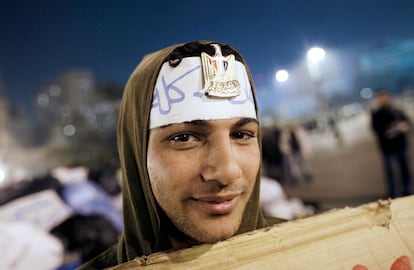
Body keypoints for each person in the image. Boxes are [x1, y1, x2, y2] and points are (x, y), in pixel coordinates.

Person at [78, 41, 283, 269]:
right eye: (184, 138)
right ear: (136, 154)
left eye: (241, 135)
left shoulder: (311, 251)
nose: (227, 172)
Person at [371, 90, 412, 198]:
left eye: (384, 97)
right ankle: (392, 194)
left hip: (401, 144)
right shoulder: (376, 114)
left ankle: (407, 191)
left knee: (405, 169)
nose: (383, 99)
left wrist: (403, 126)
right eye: (380, 98)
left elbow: (408, 122)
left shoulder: (396, 110)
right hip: (387, 148)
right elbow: (376, 129)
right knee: (391, 172)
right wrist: (390, 128)